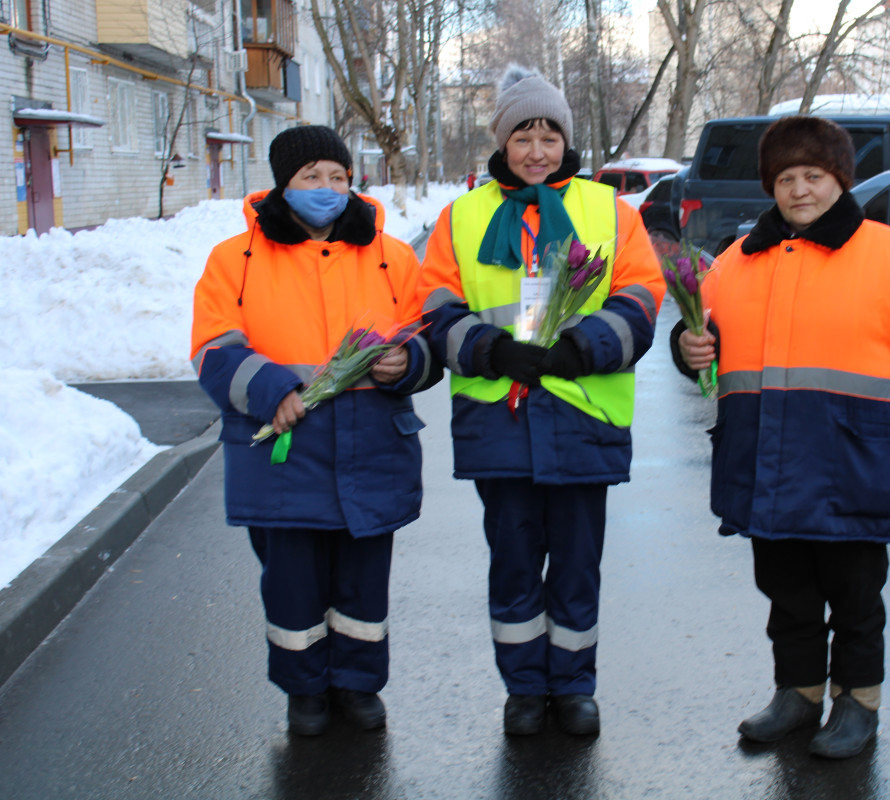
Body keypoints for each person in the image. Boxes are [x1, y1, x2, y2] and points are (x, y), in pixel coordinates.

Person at [672, 116, 890, 758]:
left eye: (813, 175)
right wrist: (689, 346)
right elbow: (705, 340)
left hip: (854, 459)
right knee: (787, 591)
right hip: (768, 462)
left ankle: (857, 705)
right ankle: (798, 694)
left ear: (839, 178)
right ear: (770, 186)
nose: (799, 190)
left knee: (857, 597)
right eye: (785, 178)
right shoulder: (737, 260)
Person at [418, 66, 665, 737]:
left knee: (579, 563)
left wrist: (584, 347)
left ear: (565, 140)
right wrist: (492, 351)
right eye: (523, 134)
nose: (537, 149)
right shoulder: (463, 216)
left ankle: (575, 685)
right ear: (502, 141)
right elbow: (435, 306)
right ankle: (525, 688)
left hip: (584, 413)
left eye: (549, 134)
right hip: (500, 419)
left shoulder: (609, 210)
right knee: (515, 561)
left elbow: (642, 296)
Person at [190, 125, 440, 736]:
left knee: (362, 574)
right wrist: (271, 388)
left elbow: (427, 334)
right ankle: (303, 688)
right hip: (286, 442)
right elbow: (213, 346)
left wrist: (408, 364)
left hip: (371, 441)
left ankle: (357, 683)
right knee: (292, 577)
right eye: (311, 177)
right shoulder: (236, 259)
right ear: (284, 183)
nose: (327, 189)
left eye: (337, 176)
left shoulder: (390, 255)